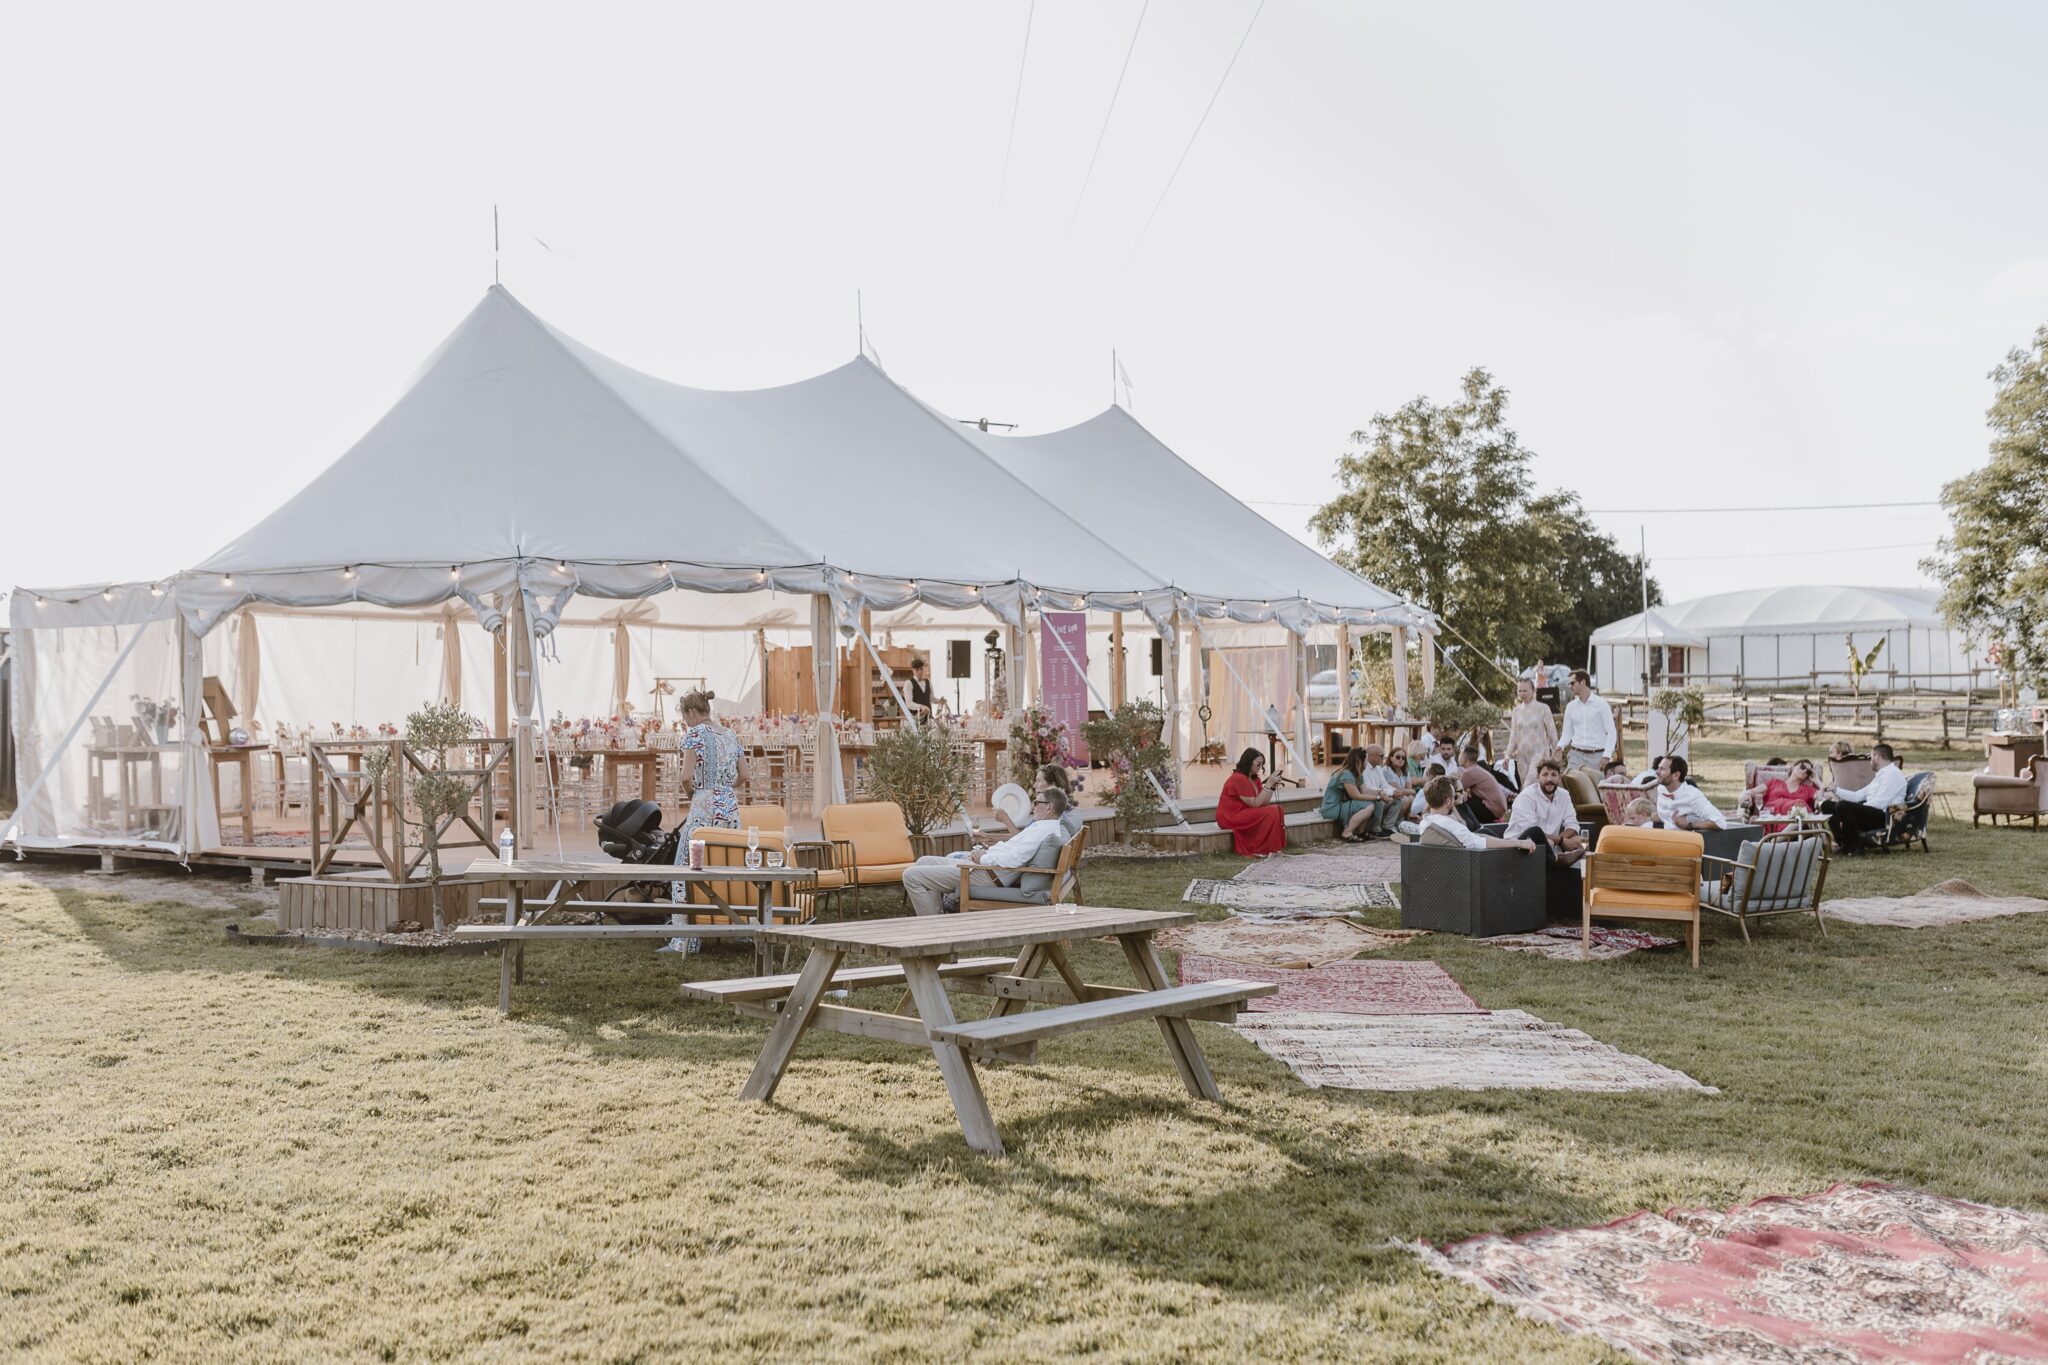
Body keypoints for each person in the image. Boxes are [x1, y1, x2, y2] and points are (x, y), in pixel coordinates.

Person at [661, 689, 745, 952]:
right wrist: (724, 789)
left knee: (686, 868)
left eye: (685, 718)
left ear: (691, 712)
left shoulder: (694, 735)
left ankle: (685, 939)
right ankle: (738, 930)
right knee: (730, 865)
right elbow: (745, 774)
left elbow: (686, 777)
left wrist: (695, 794)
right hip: (729, 808)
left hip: (704, 807)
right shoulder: (730, 734)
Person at [901, 788, 1071, 916]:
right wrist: (985, 852)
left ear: (1049, 807)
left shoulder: (1043, 831)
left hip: (987, 875)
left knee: (911, 876)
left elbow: (1014, 859)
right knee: (924, 861)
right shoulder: (1041, 827)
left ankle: (935, 932)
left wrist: (983, 858)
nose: (1033, 806)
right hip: (986, 868)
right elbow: (1013, 849)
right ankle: (938, 918)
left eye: (1036, 803)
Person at [1505, 758, 1586, 916]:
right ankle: (1559, 859)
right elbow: (1534, 831)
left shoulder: (1564, 795)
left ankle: (1577, 906)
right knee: (1537, 833)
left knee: (1581, 840)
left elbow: (1573, 825)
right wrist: (1562, 841)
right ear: (1538, 777)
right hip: (1518, 847)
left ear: (1559, 778)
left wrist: (1564, 840)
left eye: (1553, 775)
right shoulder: (1527, 796)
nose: (1549, 779)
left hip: (1548, 847)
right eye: (1545, 775)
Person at [1820, 742, 1905, 854]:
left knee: (1843, 806)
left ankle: (1855, 847)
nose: (1870, 761)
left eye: (1871, 757)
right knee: (1827, 805)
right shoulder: (1882, 775)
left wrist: (1856, 809)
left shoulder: (1893, 774)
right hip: (1872, 812)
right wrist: (1836, 790)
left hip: (1883, 817)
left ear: (1878, 757)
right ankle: (1844, 843)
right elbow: (1858, 796)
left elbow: (1881, 803)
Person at [1415, 776, 1537, 852]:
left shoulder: (1426, 822)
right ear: (1448, 801)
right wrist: (1518, 843)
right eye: (1454, 796)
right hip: (1488, 865)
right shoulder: (1452, 827)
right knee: (1535, 832)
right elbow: (1482, 843)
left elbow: (1477, 837)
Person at [1217, 747, 1288, 856]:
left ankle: (1271, 847)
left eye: (1262, 764)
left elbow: (1263, 802)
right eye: (1258, 764)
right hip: (1231, 816)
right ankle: (1261, 848)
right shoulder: (1239, 778)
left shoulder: (1255, 779)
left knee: (1278, 809)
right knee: (1272, 811)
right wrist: (1268, 784)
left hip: (1245, 811)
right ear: (1249, 762)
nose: (1260, 767)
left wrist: (1272, 787)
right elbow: (1255, 804)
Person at [1322, 748, 1389, 842]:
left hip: (1344, 804)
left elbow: (1365, 791)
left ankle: (1361, 832)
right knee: (1369, 806)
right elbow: (1356, 796)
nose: (1367, 761)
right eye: (1366, 759)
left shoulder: (1357, 774)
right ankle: (1347, 832)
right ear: (1359, 760)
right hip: (1332, 807)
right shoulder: (1346, 774)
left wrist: (1380, 792)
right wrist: (1377, 797)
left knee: (1374, 802)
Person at [1558, 669, 1617, 773]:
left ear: (1583, 682)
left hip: (1597, 757)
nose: (1569, 686)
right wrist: (1560, 746)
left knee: (1596, 788)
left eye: (1572, 683)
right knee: (1572, 786)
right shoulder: (1570, 707)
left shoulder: (1602, 704)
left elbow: (1611, 732)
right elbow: (1567, 733)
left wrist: (1607, 755)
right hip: (1576, 755)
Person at [1505, 677, 1558, 784]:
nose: (1522, 694)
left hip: (1540, 754)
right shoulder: (1516, 711)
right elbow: (1513, 736)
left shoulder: (1543, 708)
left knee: (1529, 784)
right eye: (1519, 691)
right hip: (1522, 756)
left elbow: (1552, 733)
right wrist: (1507, 755)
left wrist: (1556, 753)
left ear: (1533, 691)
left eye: (1525, 690)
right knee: (1528, 789)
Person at [1654, 754, 1726, 830]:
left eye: (1662, 769)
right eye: (1658, 768)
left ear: (1676, 775)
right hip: (1665, 836)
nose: (1657, 772)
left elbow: (1720, 822)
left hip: (1685, 839)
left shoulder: (1692, 795)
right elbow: (1663, 816)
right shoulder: (1661, 789)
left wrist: (1689, 825)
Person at [1457, 745, 1511, 823]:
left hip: (1492, 809)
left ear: (1465, 758)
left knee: (1458, 798)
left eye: (1460, 755)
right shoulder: (1476, 769)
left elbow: (1456, 788)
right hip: (1499, 808)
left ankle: (1469, 824)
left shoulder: (1470, 772)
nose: (1458, 757)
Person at [905, 658, 935, 723]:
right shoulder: (908, 683)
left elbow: (931, 699)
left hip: (928, 719)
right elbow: (909, 703)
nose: (919, 672)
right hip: (915, 719)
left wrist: (939, 701)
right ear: (913, 670)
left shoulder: (928, 682)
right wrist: (921, 706)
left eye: (921, 669)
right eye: (917, 670)